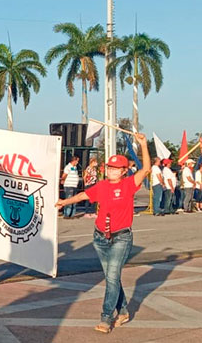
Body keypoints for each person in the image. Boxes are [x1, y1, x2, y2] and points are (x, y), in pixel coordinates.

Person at [56, 132, 150, 334]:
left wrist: (143, 144)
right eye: (110, 166)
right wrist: (64, 202)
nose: (112, 170)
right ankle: (123, 309)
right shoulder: (102, 185)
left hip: (121, 237)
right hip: (100, 237)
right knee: (111, 277)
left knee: (112, 277)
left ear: (124, 171)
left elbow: (147, 169)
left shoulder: (129, 184)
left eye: (116, 168)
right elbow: (83, 194)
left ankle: (106, 317)